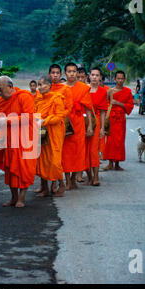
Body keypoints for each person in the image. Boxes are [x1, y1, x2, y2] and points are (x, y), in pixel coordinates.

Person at [0, 76, 37, 208]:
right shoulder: (2, 101)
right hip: (9, 139)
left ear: (10, 86)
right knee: (10, 169)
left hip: (25, 138)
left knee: (24, 169)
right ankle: (13, 198)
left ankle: (21, 198)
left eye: (0, 90)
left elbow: (29, 117)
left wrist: (7, 120)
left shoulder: (24, 97)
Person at [62, 62, 94, 190]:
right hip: (65, 123)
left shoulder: (83, 88)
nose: (72, 74)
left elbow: (88, 109)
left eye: (74, 71)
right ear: (65, 73)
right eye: (69, 71)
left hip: (79, 123)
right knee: (65, 153)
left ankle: (74, 178)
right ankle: (68, 180)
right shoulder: (61, 88)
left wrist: (90, 126)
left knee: (77, 152)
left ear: (77, 73)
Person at [34, 76, 68, 197]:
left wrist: (45, 121)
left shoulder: (56, 98)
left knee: (54, 161)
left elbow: (59, 116)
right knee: (42, 160)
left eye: (41, 84)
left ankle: (61, 185)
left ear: (48, 86)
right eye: (38, 85)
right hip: (42, 133)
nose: (39, 87)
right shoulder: (40, 100)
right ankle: (45, 188)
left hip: (54, 132)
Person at [42, 63, 72, 195]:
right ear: (49, 74)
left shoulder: (65, 90)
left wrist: (52, 118)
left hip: (56, 127)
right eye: (52, 73)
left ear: (61, 75)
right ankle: (46, 187)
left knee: (55, 158)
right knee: (44, 158)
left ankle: (60, 184)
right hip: (43, 128)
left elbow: (68, 109)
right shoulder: (44, 89)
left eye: (57, 73)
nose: (55, 75)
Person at [103, 71, 134, 171]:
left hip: (121, 119)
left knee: (119, 141)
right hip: (111, 118)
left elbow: (130, 106)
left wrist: (118, 103)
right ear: (115, 79)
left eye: (122, 79)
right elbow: (105, 104)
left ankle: (117, 163)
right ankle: (110, 163)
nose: (120, 81)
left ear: (124, 79)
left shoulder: (128, 91)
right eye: (118, 78)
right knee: (110, 141)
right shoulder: (110, 91)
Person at [85, 67, 108, 186]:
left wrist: (102, 128)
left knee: (93, 150)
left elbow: (103, 111)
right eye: (92, 75)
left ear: (100, 77)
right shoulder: (84, 89)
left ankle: (96, 177)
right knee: (84, 150)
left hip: (97, 121)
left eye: (97, 75)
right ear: (89, 76)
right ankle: (88, 177)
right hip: (84, 122)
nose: (94, 77)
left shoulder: (103, 91)